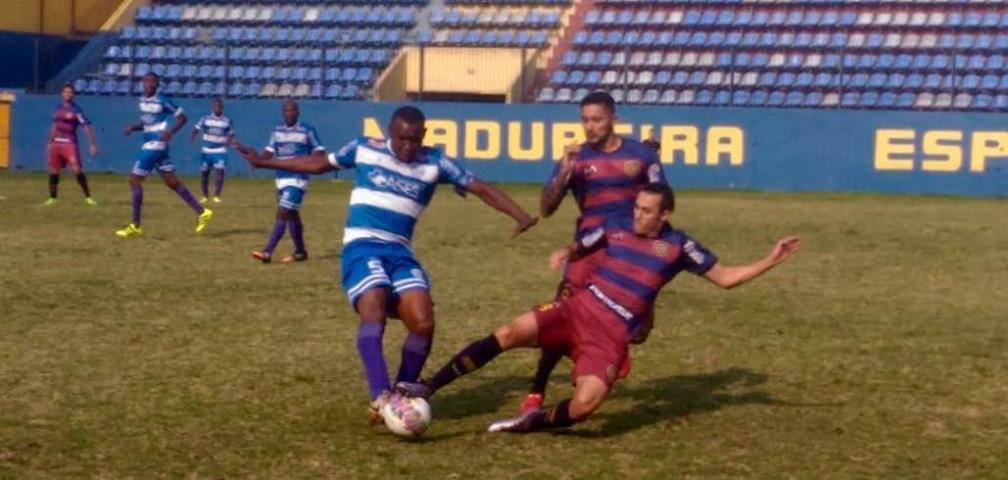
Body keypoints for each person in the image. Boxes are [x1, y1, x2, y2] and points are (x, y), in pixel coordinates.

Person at [397, 183, 802, 433]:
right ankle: (427, 387)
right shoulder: (616, 227)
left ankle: (529, 424)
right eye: (637, 208)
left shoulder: (680, 246)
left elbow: (726, 277)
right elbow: (585, 243)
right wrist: (565, 250)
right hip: (577, 308)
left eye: (647, 210)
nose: (638, 215)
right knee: (507, 333)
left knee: (586, 405)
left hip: (611, 334)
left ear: (666, 214)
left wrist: (771, 259)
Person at [234, 105, 538, 424]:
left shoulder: (435, 162)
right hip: (362, 245)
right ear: (390, 133)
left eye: (414, 139)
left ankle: (403, 392)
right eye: (401, 138)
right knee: (374, 304)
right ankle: (381, 397)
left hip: (400, 252)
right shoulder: (365, 148)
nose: (407, 145)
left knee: (423, 322)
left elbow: (481, 187)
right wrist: (266, 161)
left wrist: (520, 215)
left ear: (423, 135)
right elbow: (320, 163)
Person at [521, 91, 666, 413]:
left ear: (614, 119)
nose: (589, 126)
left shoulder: (641, 156)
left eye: (596, 119)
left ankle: (611, 350)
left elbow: (663, 202)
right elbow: (546, 208)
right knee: (563, 314)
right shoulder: (577, 158)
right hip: (586, 249)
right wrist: (563, 171)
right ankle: (537, 389)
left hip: (628, 252)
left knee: (639, 331)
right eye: (585, 119)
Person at [115, 73, 212, 238]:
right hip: (151, 143)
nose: (148, 84)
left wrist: (171, 133)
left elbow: (182, 118)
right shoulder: (142, 101)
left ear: (157, 84)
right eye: (146, 81)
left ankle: (135, 225)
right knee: (172, 182)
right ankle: (202, 212)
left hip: (155, 145)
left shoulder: (163, 100)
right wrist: (133, 127)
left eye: (152, 82)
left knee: (134, 180)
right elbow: (147, 123)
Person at [250, 99, 324, 264]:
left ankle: (267, 251)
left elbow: (320, 150)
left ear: (297, 112)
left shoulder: (307, 130)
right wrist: (260, 162)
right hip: (281, 178)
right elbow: (269, 151)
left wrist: (307, 163)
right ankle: (300, 252)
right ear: (283, 113)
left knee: (283, 211)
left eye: (292, 110)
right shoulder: (277, 130)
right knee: (292, 215)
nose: (289, 113)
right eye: (286, 110)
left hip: (298, 179)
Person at [43, 83, 99, 206]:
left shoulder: (76, 110)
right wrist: (50, 141)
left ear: (73, 95)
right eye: (65, 92)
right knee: (53, 171)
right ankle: (52, 198)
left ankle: (88, 197)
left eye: (70, 92)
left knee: (77, 170)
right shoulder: (57, 108)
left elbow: (86, 126)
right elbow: (55, 125)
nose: (67, 94)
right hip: (57, 143)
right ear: (62, 94)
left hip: (69, 143)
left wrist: (92, 144)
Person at [189, 98, 234, 204]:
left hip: (220, 150)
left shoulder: (227, 120)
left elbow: (231, 133)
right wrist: (193, 136)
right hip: (206, 150)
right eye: (215, 106)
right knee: (204, 173)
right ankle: (204, 196)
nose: (217, 108)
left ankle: (216, 196)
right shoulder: (205, 119)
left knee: (220, 172)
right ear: (213, 107)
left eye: (219, 106)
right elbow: (196, 128)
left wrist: (229, 140)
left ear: (222, 108)